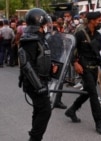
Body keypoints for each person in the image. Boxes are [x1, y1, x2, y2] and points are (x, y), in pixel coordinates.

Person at [64, 11, 101, 135]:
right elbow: (70, 49)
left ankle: (72, 109)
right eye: (98, 20)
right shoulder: (80, 34)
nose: (100, 22)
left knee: (89, 92)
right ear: (91, 21)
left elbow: (96, 52)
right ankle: (99, 122)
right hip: (84, 68)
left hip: (94, 67)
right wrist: (75, 63)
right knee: (94, 94)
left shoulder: (98, 36)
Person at [18, 8, 56, 141]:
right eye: (44, 24)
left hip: (39, 82)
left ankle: (35, 137)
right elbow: (26, 65)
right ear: (39, 24)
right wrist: (39, 86)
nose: (46, 26)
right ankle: (34, 138)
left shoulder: (38, 38)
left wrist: (51, 68)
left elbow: (39, 59)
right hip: (34, 84)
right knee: (45, 110)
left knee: (39, 109)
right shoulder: (30, 40)